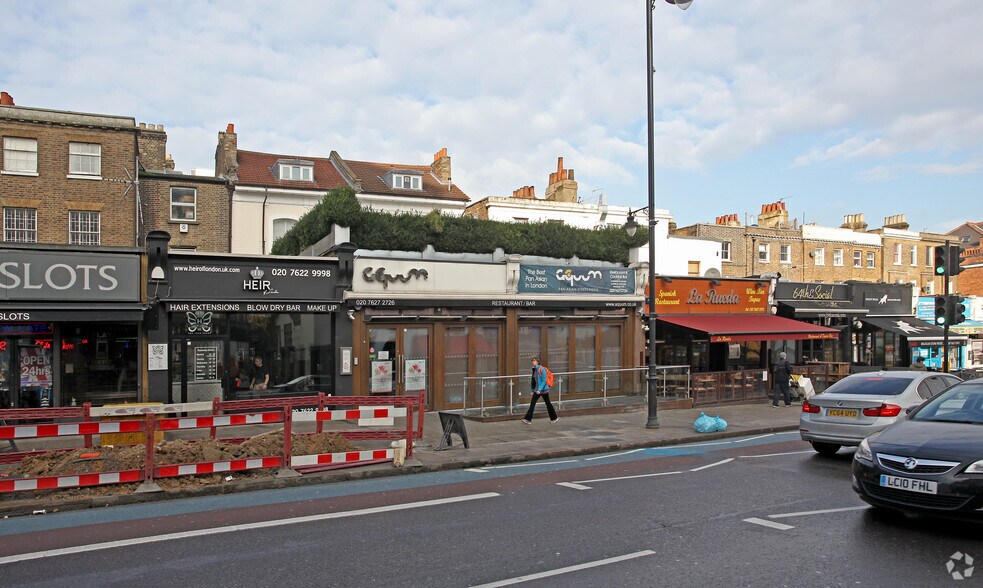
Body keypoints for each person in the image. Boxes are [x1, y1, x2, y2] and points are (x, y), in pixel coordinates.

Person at [522, 357, 558, 424]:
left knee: (548, 404)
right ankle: (528, 419)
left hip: (544, 390)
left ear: (537, 362)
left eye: (534, 361)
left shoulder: (542, 369)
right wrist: (532, 390)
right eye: (532, 361)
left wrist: (539, 389)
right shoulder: (534, 370)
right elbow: (533, 381)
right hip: (537, 390)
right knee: (532, 404)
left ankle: (554, 418)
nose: (533, 362)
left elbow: (544, 381)